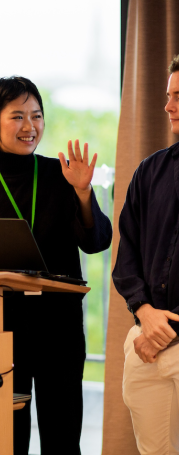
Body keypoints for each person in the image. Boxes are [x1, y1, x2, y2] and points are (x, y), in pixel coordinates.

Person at [0, 76, 112, 455]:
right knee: (6, 440)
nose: (30, 127)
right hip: (1, 333)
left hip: (58, 331)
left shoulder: (62, 178)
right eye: (18, 117)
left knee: (62, 439)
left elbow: (97, 242)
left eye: (37, 116)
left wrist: (82, 193)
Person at [112, 55, 179, 455]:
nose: (169, 106)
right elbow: (127, 255)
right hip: (145, 345)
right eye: (169, 96)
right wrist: (144, 312)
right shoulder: (149, 171)